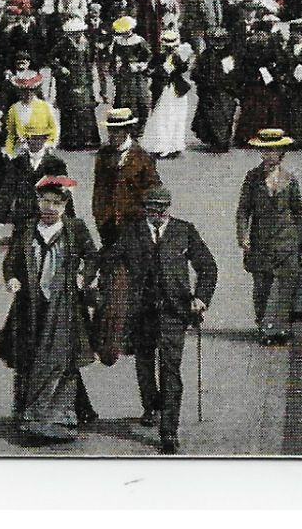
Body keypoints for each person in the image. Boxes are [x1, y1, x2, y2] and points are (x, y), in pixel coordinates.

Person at [107, 186, 218, 454]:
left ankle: (169, 431)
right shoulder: (131, 231)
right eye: (152, 209)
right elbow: (109, 259)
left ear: (169, 208)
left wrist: (200, 298)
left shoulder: (184, 231)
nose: (158, 214)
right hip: (141, 311)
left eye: (162, 209)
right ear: (144, 208)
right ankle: (150, 406)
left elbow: (208, 267)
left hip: (174, 311)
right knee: (144, 363)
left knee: (170, 369)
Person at [0, 176, 101, 443]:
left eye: (56, 203)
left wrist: (83, 277)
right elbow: (11, 262)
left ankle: (56, 420)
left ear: (65, 205)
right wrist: (12, 279)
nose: (49, 207)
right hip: (30, 304)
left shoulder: (75, 229)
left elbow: (92, 257)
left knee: (60, 360)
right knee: (28, 358)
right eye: (45, 201)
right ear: (37, 202)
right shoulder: (27, 228)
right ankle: (26, 415)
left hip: (64, 305)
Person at [235, 129, 302, 344]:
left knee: (286, 286)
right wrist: (242, 235)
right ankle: (265, 328)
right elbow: (243, 210)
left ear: (281, 153)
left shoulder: (290, 180)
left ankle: (281, 328)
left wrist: (301, 240)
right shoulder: (252, 178)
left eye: (274, 151)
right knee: (262, 287)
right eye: (265, 151)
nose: (269, 155)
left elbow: (297, 212)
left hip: (287, 241)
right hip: (261, 241)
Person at [91, 108, 163, 248]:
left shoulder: (142, 157)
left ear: (127, 131)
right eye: (110, 131)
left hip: (133, 221)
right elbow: (99, 188)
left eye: (117, 131)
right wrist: (99, 215)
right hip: (108, 221)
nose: (112, 135)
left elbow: (153, 189)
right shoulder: (104, 154)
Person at [139, 31, 193, 159]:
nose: (170, 48)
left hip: (176, 91)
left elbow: (182, 69)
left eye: (172, 45)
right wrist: (149, 70)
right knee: (161, 118)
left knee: (176, 118)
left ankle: (174, 145)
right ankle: (161, 146)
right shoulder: (158, 57)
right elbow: (148, 71)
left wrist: (179, 58)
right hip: (162, 91)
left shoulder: (179, 57)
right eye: (167, 45)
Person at [50, 16, 100, 150]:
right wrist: (60, 68)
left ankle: (88, 140)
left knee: (85, 109)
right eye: (74, 32)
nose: (78, 34)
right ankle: (71, 142)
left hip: (83, 78)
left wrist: (91, 76)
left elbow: (91, 61)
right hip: (68, 80)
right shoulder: (62, 44)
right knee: (70, 109)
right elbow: (51, 59)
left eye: (79, 32)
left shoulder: (87, 43)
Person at [190, 28, 240, 153]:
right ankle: (214, 141)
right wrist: (204, 81)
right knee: (210, 116)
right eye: (216, 41)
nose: (218, 44)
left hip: (225, 91)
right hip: (209, 92)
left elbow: (234, 74)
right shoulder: (205, 55)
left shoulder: (229, 56)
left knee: (225, 116)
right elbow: (195, 73)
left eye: (221, 41)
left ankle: (223, 141)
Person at [2, 68, 60, 158]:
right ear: (19, 91)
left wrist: (48, 145)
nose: (28, 93)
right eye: (24, 90)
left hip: (42, 150)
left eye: (31, 90)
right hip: (21, 151)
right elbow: (11, 135)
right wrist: (8, 153)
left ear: (36, 90)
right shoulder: (14, 109)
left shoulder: (46, 107)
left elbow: (55, 130)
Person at [109, 16, 152, 122]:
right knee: (122, 97)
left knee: (139, 98)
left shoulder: (139, 41)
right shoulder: (118, 42)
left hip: (136, 73)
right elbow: (114, 57)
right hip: (123, 73)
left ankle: (139, 123)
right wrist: (115, 68)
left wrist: (139, 66)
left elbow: (148, 57)